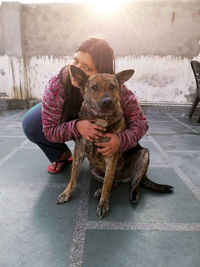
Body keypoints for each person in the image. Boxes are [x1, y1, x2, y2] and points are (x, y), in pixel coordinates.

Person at [22, 37, 148, 174]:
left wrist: (120, 140)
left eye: (87, 67)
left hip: (104, 126)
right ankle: (61, 155)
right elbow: (49, 131)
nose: (76, 71)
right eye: (75, 60)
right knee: (31, 123)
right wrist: (76, 126)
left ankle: (103, 154)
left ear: (102, 72)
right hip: (70, 117)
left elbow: (140, 123)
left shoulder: (117, 89)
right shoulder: (56, 84)